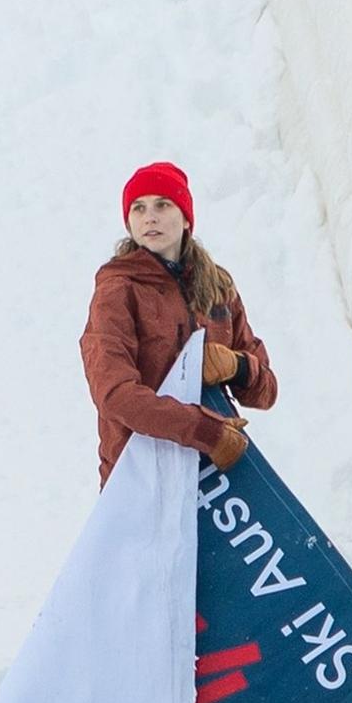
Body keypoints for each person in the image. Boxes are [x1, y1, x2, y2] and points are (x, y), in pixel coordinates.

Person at [84, 160, 276, 482]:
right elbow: (115, 394)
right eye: (138, 209)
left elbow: (266, 391)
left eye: (163, 204)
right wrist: (204, 431)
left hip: (214, 477)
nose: (150, 217)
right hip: (140, 478)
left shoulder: (218, 288)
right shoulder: (117, 290)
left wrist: (237, 366)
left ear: (186, 218)